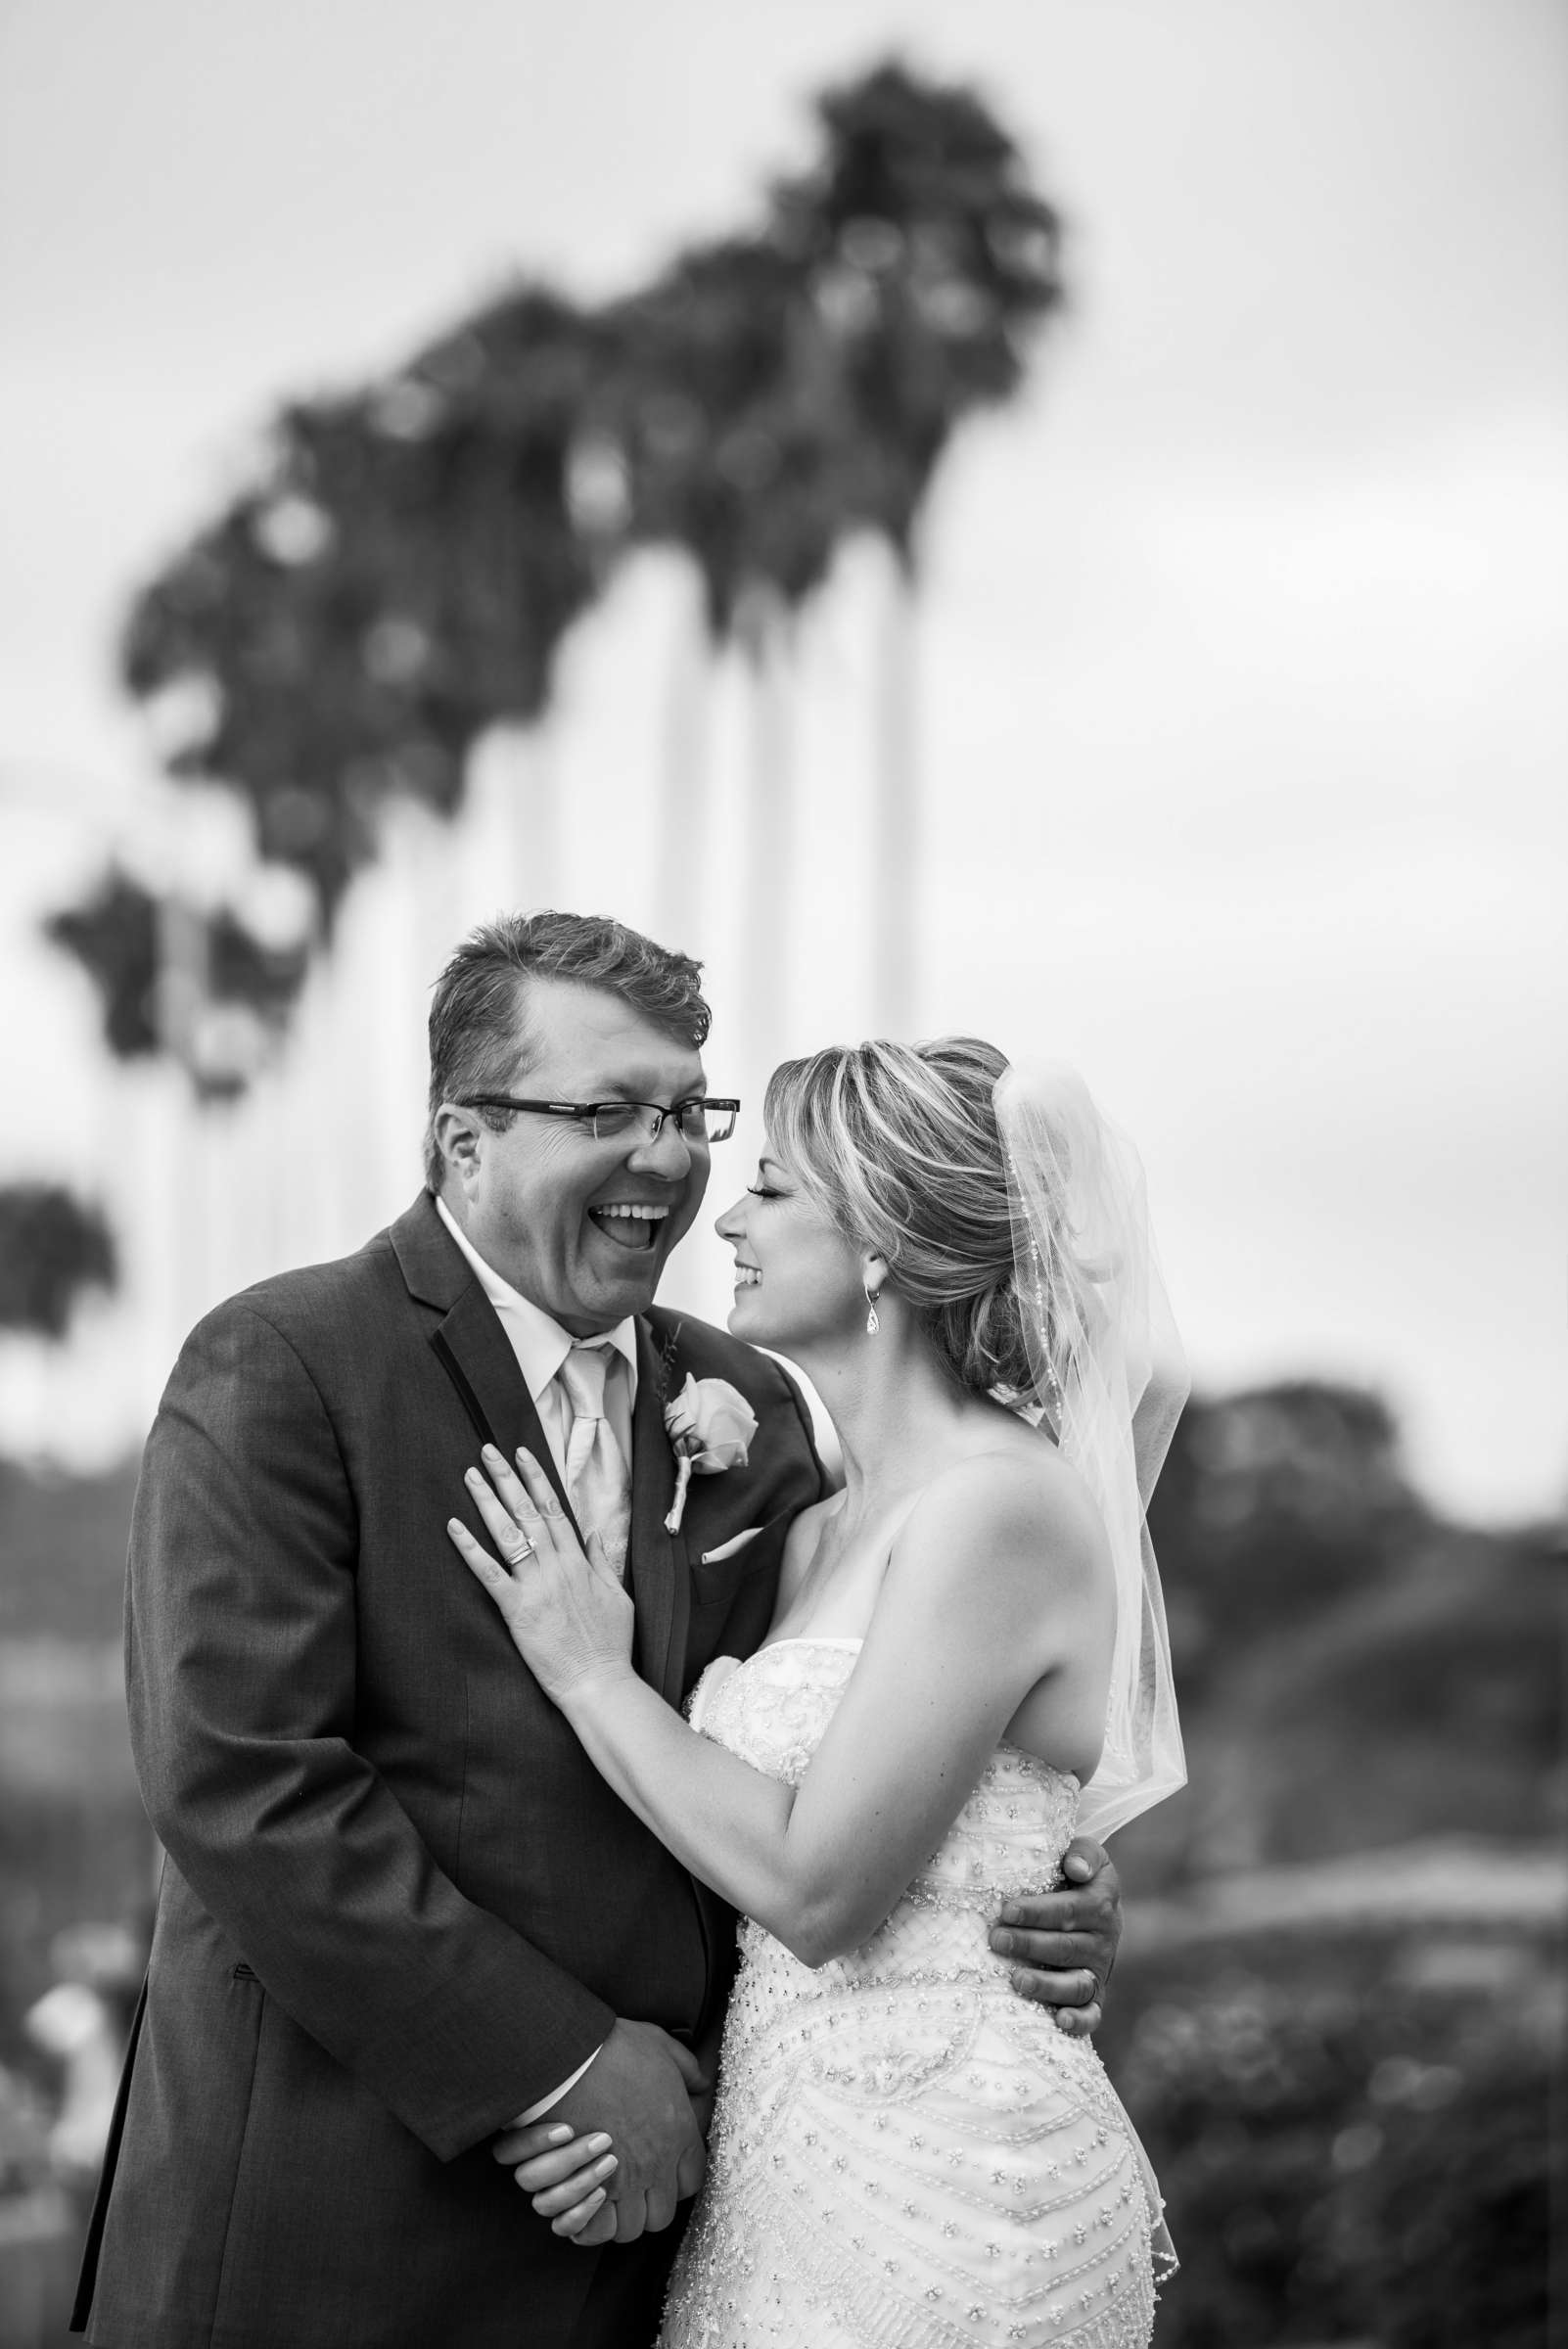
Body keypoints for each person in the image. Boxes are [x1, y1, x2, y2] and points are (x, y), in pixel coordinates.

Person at [73, 914, 1123, 2349]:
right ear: (462, 1139)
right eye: (607, 1111)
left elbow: (852, 1758)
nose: (674, 1159)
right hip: (343, 2219)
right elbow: (243, 1782)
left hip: (680, 2228)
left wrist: (1029, 1883)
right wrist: (555, 2068)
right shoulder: (288, 1363)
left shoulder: (755, 1418)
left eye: (690, 1112)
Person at [452, 1034, 1185, 2348]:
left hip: (960, 2181)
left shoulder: (997, 1509)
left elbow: (819, 1892)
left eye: (775, 1188)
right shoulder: (808, 1528)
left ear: (882, 1247)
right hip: (782, 2161)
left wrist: (585, 1669)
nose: (724, 1214)